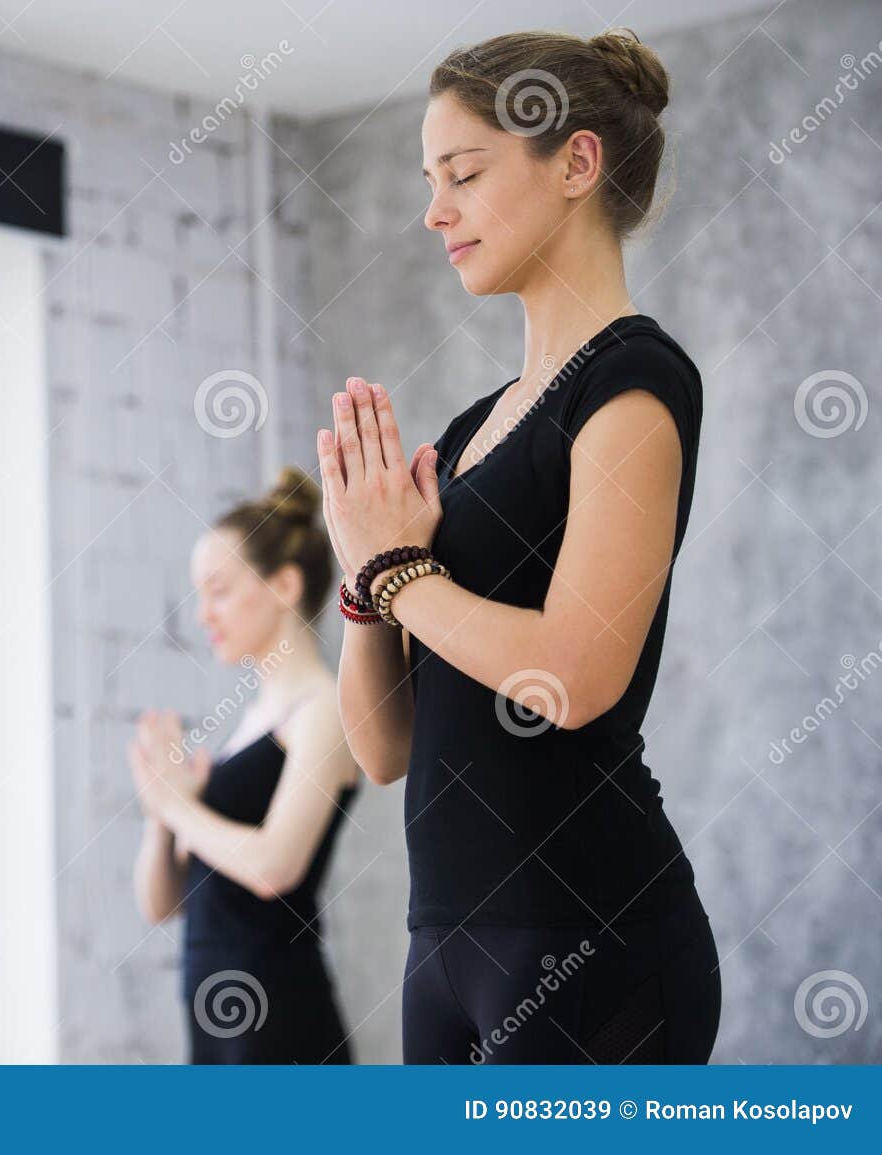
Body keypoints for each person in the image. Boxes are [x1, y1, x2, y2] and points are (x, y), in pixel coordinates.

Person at [317, 27, 721, 1064]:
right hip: (443, 945)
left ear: (575, 163)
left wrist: (400, 572)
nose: (433, 209)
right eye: (427, 179)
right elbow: (382, 748)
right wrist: (364, 583)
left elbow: (574, 677)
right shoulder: (469, 432)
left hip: (592, 935)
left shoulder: (631, 383)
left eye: (463, 173)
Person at [130, 467, 361, 1063]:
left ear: (284, 585)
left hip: (278, 1019)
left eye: (220, 590)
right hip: (214, 1018)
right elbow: (162, 905)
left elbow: (274, 865)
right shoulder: (250, 722)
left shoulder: (323, 712)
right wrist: (163, 810)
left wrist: (176, 804)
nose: (204, 614)